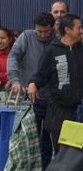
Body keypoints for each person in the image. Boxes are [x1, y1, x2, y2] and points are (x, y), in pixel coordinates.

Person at [7, 12, 56, 171]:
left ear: (52, 28)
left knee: (46, 142)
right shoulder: (26, 36)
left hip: (50, 99)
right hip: (28, 98)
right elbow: (13, 57)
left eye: (46, 31)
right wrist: (15, 80)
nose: (42, 35)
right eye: (39, 31)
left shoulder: (57, 40)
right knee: (26, 139)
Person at [28, 14, 83, 153]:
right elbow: (41, 74)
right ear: (68, 30)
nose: (81, 31)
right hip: (60, 111)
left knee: (78, 153)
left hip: (80, 109)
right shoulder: (52, 50)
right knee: (63, 153)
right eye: (79, 28)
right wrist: (33, 83)